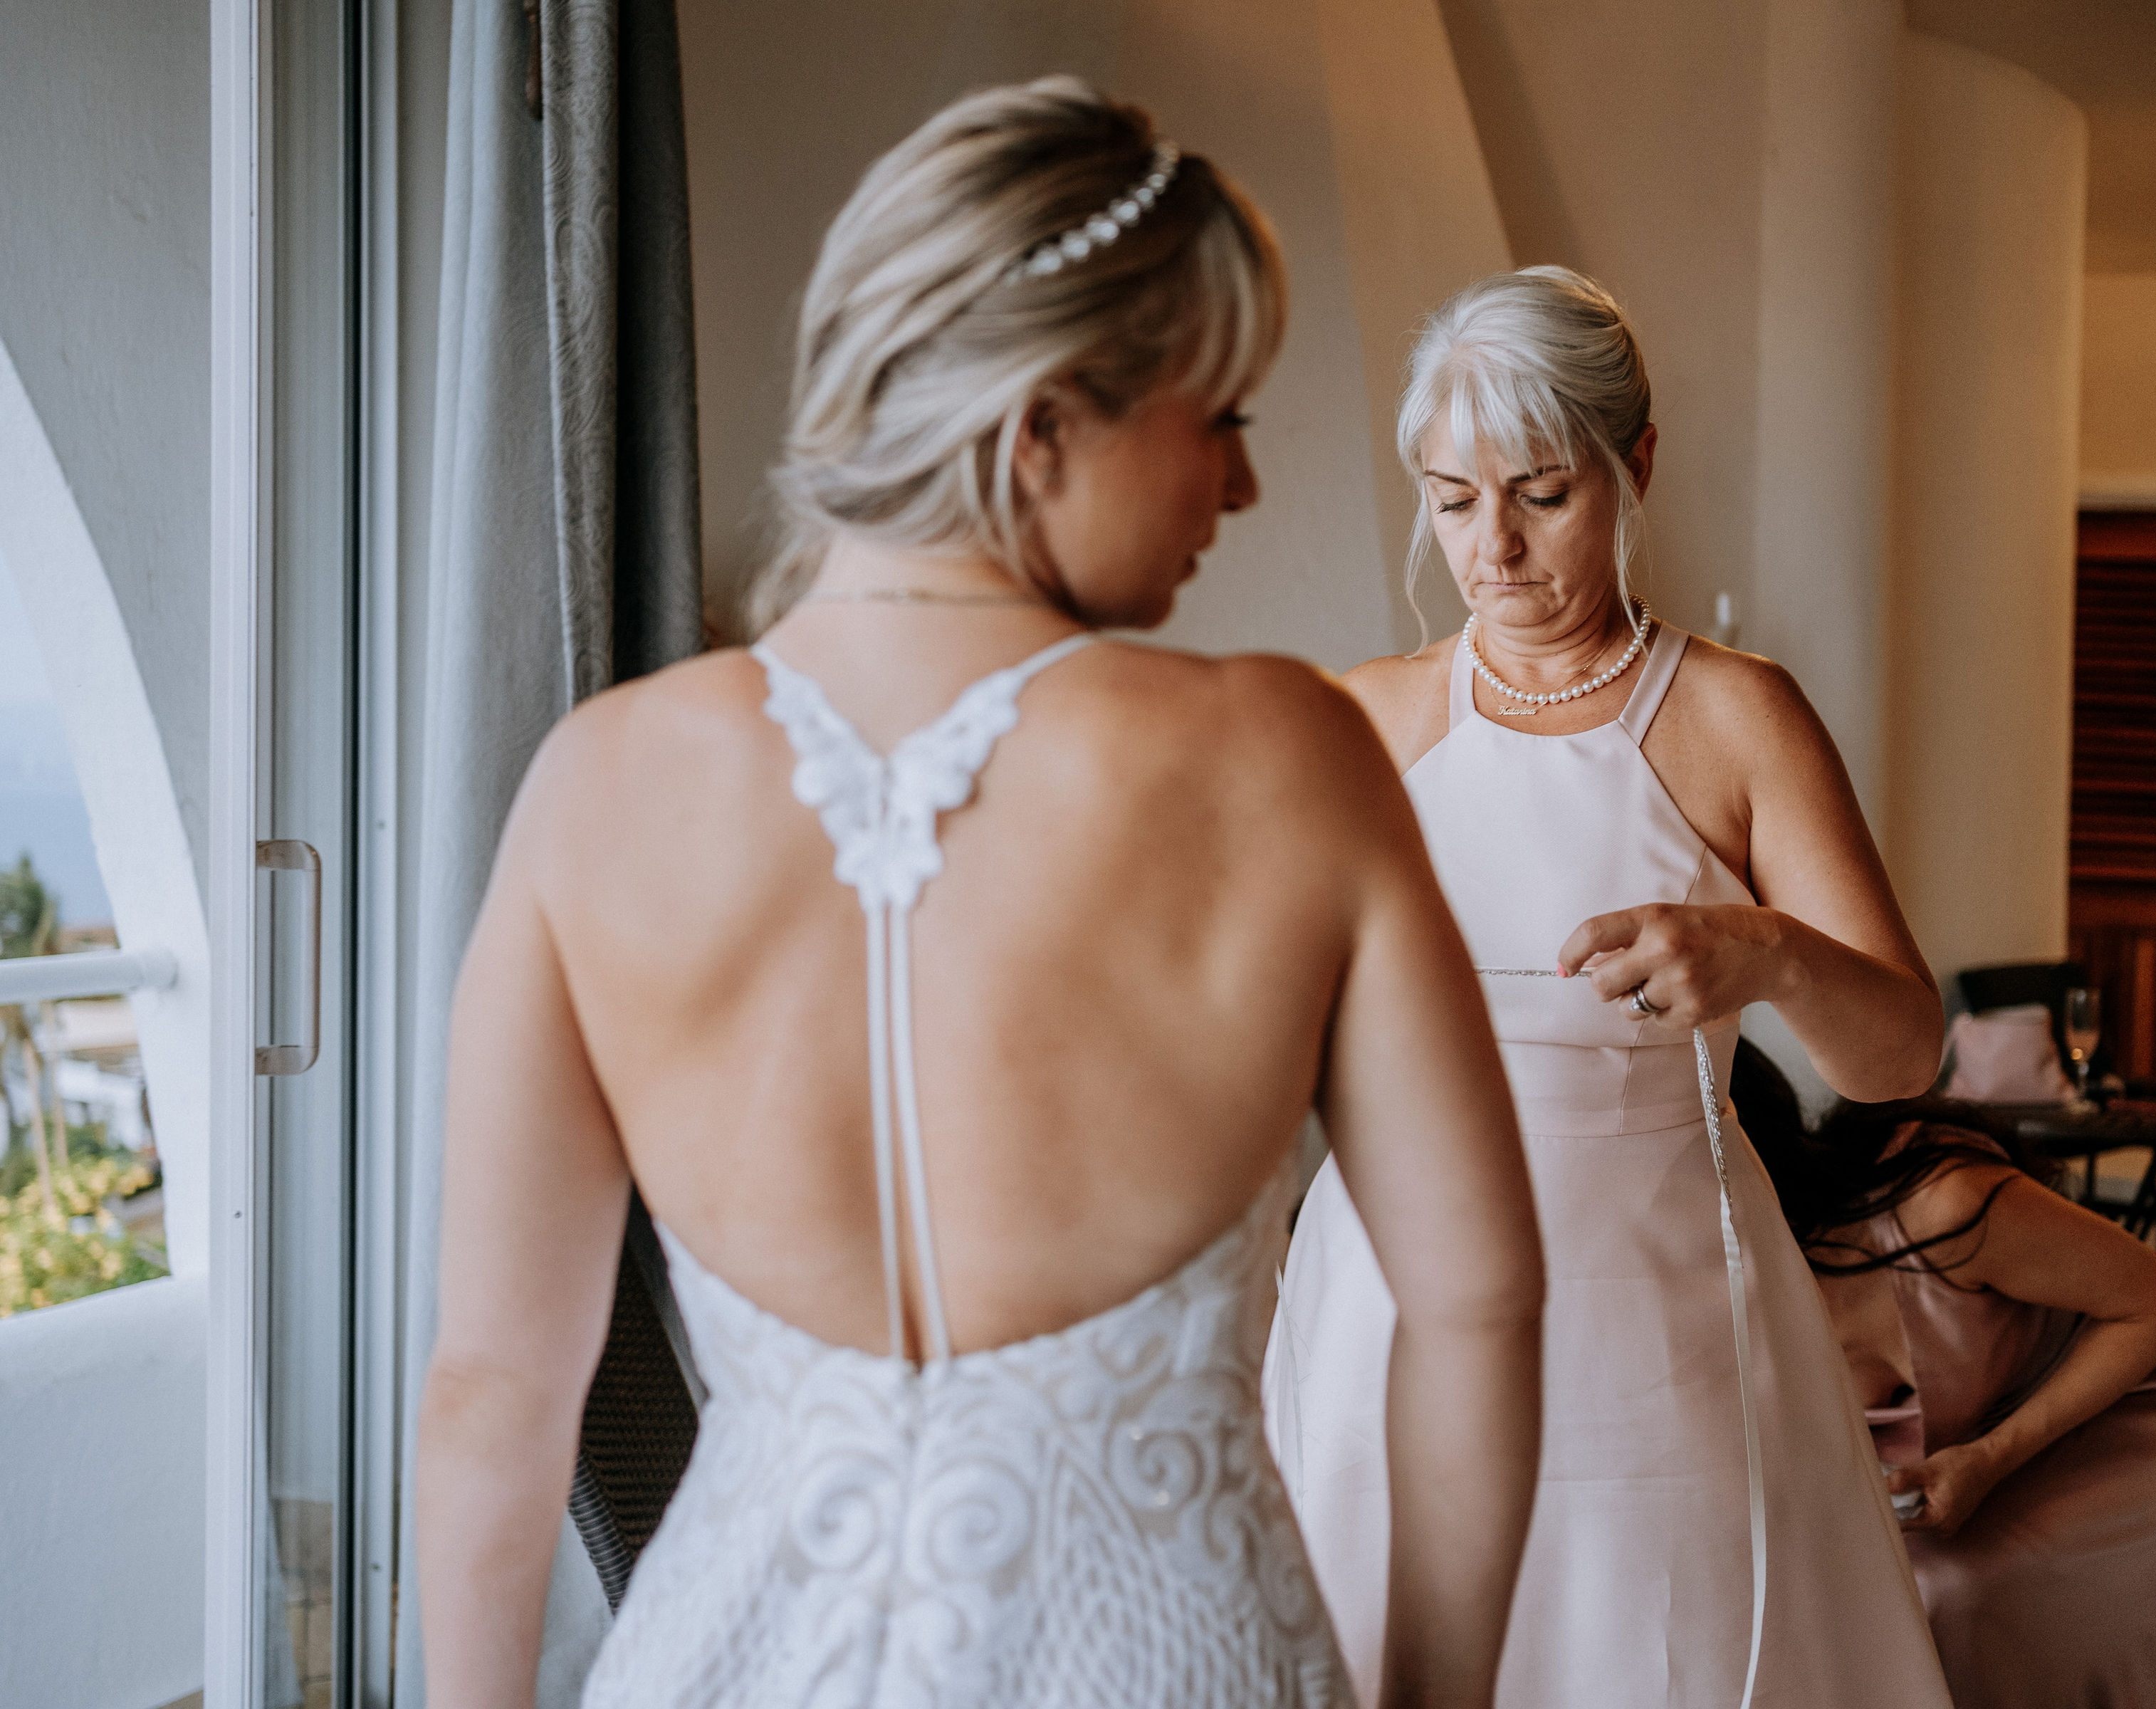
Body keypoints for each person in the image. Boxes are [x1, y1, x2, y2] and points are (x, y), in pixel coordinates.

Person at [415, 79, 1547, 1709]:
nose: (1239, 486)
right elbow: (1482, 1299)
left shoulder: (598, 781)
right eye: (1216, 417)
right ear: (1044, 426)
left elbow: (494, 1392)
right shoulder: (1287, 754)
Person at [1265, 265, 1953, 1707]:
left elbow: (1900, 1051)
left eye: (1540, 493)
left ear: (1633, 465)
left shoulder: (1735, 716)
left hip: (1655, 1309)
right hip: (1386, 1297)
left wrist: (1761, 952)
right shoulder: (1365, 721)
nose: (1495, 549)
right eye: (1454, 501)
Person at [1727, 1040, 2156, 1709]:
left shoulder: (1942, 1208)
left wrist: (1986, 1460)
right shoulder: (1710, 1282)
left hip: (2152, 1390)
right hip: (1994, 1417)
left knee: (1952, 1593)